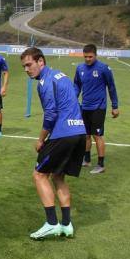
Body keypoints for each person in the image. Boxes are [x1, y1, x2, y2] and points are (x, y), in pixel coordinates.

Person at [20, 47, 85, 240]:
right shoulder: (61, 75)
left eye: (29, 64)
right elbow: (72, 100)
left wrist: (41, 139)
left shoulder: (45, 81)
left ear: (41, 62)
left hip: (63, 134)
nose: (26, 69)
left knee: (39, 174)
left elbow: (51, 114)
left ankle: (51, 223)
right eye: (24, 66)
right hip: (79, 132)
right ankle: (66, 225)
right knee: (58, 177)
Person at [73, 44, 119, 174]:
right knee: (85, 135)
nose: (87, 59)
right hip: (85, 106)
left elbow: (111, 87)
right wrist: (74, 99)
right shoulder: (80, 68)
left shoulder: (103, 68)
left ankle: (101, 164)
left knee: (97, 135)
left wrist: (115, 106)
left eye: (90, 57)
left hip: (98, 107)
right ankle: (86, 160)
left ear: (95, 55)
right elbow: (77, 85)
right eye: (85, 56)